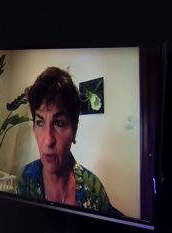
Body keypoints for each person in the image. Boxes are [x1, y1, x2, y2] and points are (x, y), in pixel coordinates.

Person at [16, 67, 122, 216]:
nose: (48, 140)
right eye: (40, 122)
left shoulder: (93, 190)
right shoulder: (26, 179)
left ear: (74, 129)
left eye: (59, 123)